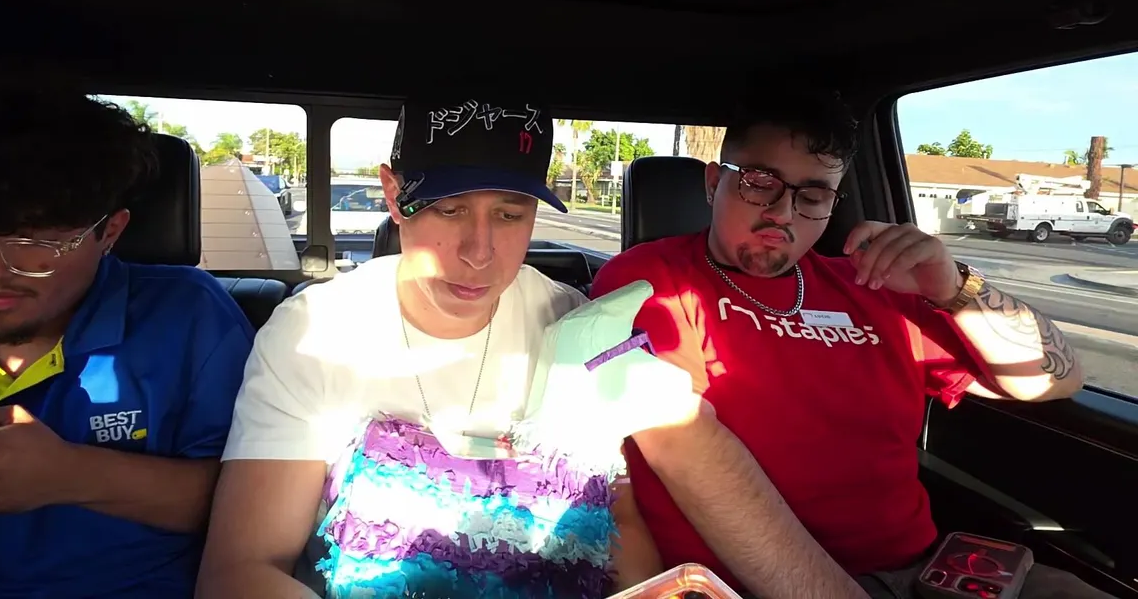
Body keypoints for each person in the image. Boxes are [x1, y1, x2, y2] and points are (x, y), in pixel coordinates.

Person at [589, 89, 1110, 599]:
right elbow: (684, 448)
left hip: (931, 571)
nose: (783, 213)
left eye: (813, 196)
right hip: (757, 585)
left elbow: (1054, 379)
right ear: (712, 183)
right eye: (759, 184)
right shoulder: (652, 280)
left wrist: (953, 286)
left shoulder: (875, 286)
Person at [198, 100, 657, 599]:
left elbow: (621, 528)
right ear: (394, 195)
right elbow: (240, 570)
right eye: (449, 209)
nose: (478, 253)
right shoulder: (314, 332)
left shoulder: (574, 327)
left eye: (509, 215)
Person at [0, 85, 255, 598]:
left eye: (33, 240)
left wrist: (70, 475)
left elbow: (257, 504)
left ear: (110, 232)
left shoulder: (189, 320)